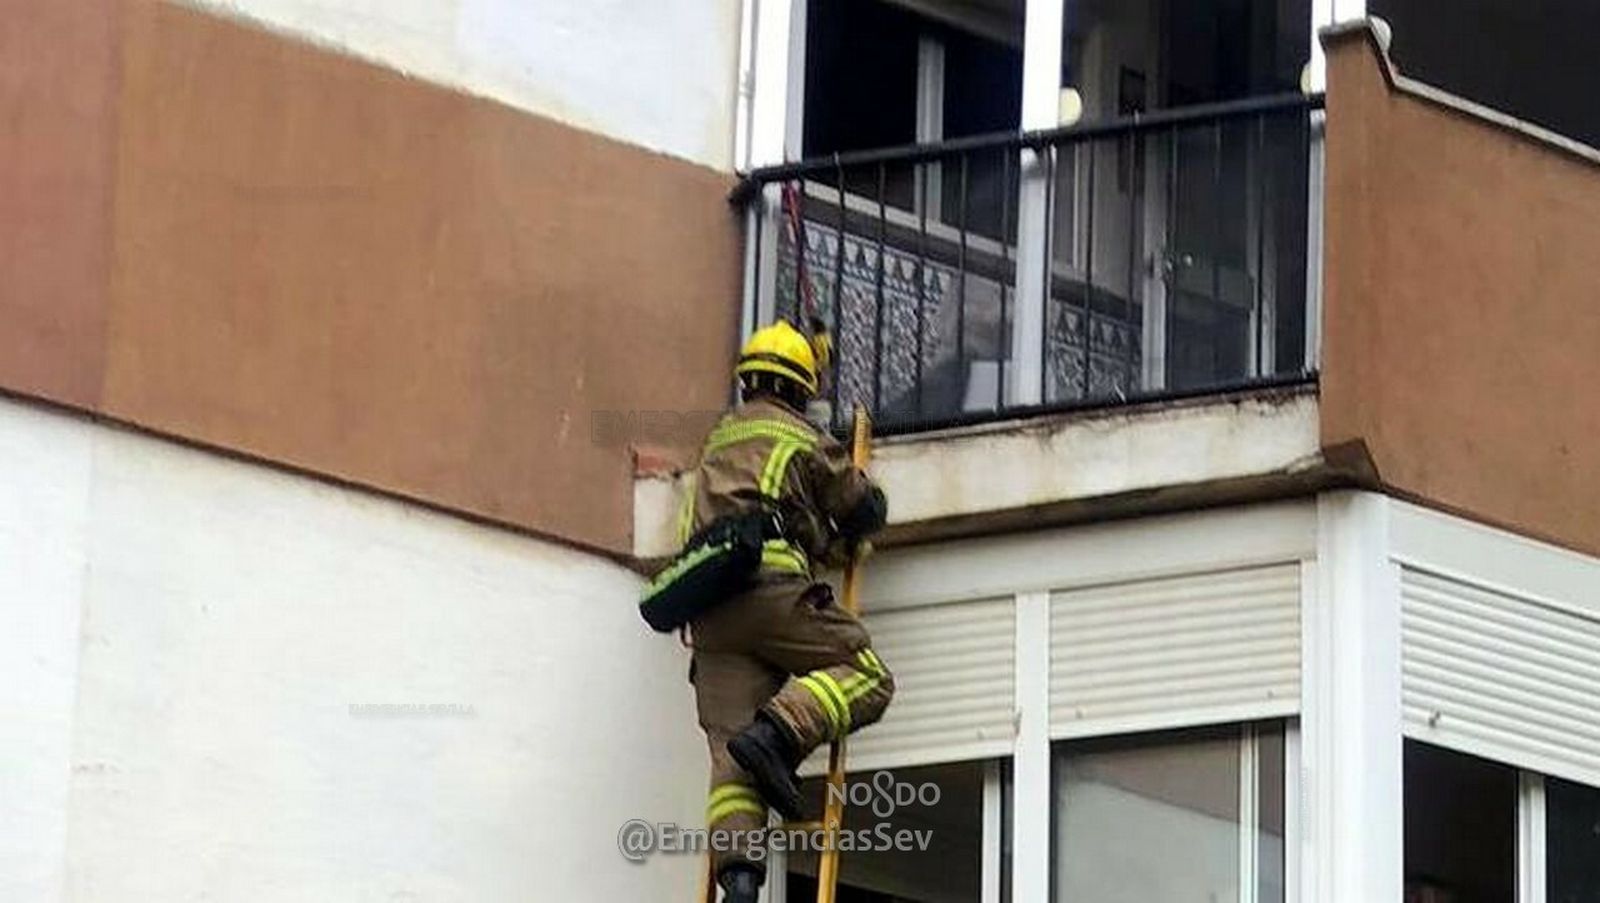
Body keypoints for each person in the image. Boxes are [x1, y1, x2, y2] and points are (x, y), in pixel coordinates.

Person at [679, 320, 893, 903]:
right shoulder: (797, 435)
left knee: (729, 750)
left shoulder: (717, 444)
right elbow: (858, 504)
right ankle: (779, 732)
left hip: (709, 618)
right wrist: (864, 507)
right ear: (802, 391)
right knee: (868, 676)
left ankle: (741, 883)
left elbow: (763, 512)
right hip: (770, 591)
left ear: (747, 382)